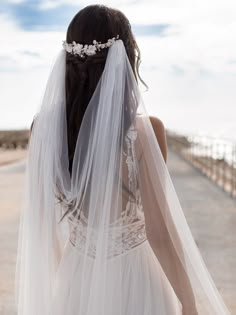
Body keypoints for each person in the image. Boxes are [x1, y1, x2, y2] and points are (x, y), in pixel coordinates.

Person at [15, 5, 231, 315]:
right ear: (125, 58)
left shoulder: (44, 129)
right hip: (138, 278)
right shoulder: (145, 131)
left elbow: (43, 223)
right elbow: (159, 231)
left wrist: (67, 279)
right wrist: (188, 300)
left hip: (76, 274)